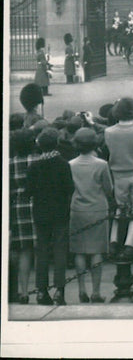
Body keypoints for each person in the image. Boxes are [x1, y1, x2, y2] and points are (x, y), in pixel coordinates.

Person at [26, 128, 74, 305]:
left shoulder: (34, 166)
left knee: (42, 252)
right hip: (60, 212)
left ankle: (41, 291)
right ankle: (59, 291)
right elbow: (70, 188)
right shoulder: (63, 164)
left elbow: (28, 191)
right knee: (60, 251)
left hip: (40, 212)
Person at [68, 128, 114, 303]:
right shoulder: (101, 164)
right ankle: (96, 291)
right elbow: (108, 189)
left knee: (79, 251)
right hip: (97, 208)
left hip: (78, 208)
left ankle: (81, 289)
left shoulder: (70, 164)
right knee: (96, 251)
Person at [104, 97, 133, 262]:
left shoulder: (109, 132)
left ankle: (114, 241)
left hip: (118, 174)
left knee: (119, 209)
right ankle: (131, 245)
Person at [9, 129, 37, 303]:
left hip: (18, 206)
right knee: (39, 249)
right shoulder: (37, 160)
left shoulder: (10, 163)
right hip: (37, 204)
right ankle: (42, 290)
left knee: (24, 251)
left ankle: (24, 291)